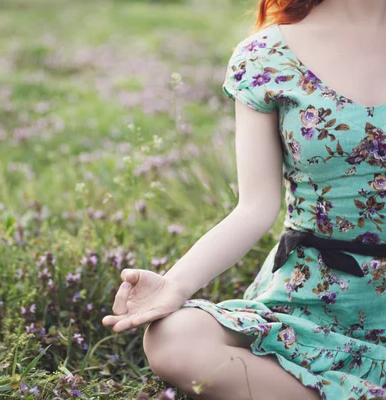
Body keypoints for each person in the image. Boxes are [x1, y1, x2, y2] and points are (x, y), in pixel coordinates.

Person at [101, 0, 386, 399]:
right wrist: (175, 284)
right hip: (311, 299)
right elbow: (255, 208)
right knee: (173, 339)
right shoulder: (267, 56)